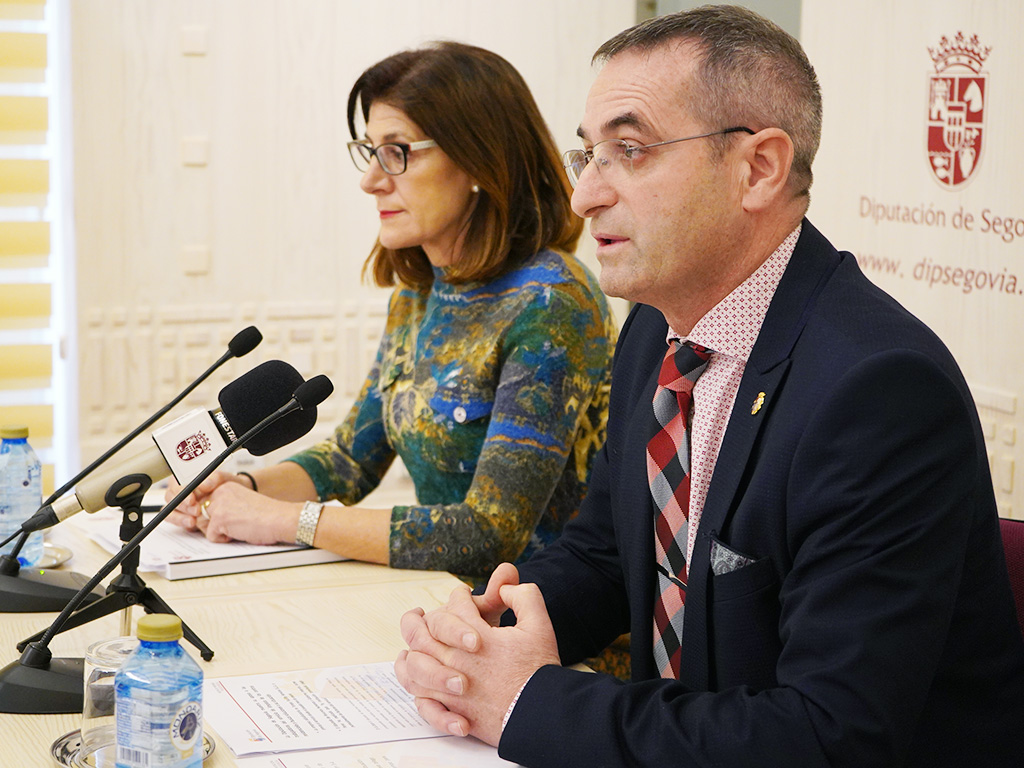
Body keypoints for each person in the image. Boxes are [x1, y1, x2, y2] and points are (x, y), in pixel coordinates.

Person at [394, 7, 1024, 767]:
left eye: (629, 151)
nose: (584, 195)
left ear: (758, 168)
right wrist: (487, 631)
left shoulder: (880, 392)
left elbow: (828, 735)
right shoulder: (653, 332)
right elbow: (607, 553)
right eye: (587, 154)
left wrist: (527, 704)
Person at [166, 41, 615, 581]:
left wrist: (285, 520)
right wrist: (242, 488)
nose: (371, 180)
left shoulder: (552, 301)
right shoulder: (418, 295)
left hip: (541, 621)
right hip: (444, 605)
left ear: (479, 159)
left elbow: (488, 533)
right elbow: (351, 459)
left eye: (398, 151)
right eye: (370, 151)